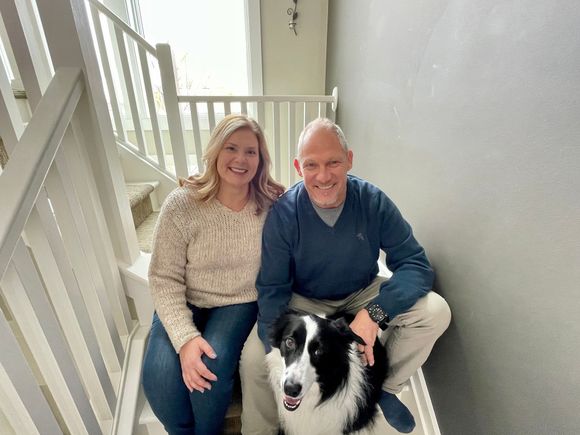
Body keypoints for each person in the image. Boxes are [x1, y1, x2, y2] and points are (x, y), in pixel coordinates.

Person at [240, 118, 451, 434]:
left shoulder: (373, 201)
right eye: (312, 165)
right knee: (253, 359)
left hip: (359, 292)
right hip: (303, 299)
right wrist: (276, 344)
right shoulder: (284, 213)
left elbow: (416, 265)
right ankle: (262, 430)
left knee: (436, 313)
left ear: (349, 160)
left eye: (333, 162)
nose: (323, 176)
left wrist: (373, 314)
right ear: (299, 167)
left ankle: (386, 388)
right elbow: (272, 287)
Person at [142, 114, 285, 435]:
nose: (240, 159)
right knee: (161, 377)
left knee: (211, 367)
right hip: (186, 300)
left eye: (251, 151)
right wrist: (185, 338)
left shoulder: (272, 203)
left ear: (261, 160)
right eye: (231, 148)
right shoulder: (182, 204)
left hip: (239, 302)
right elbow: (163, 277)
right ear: (216, 152)